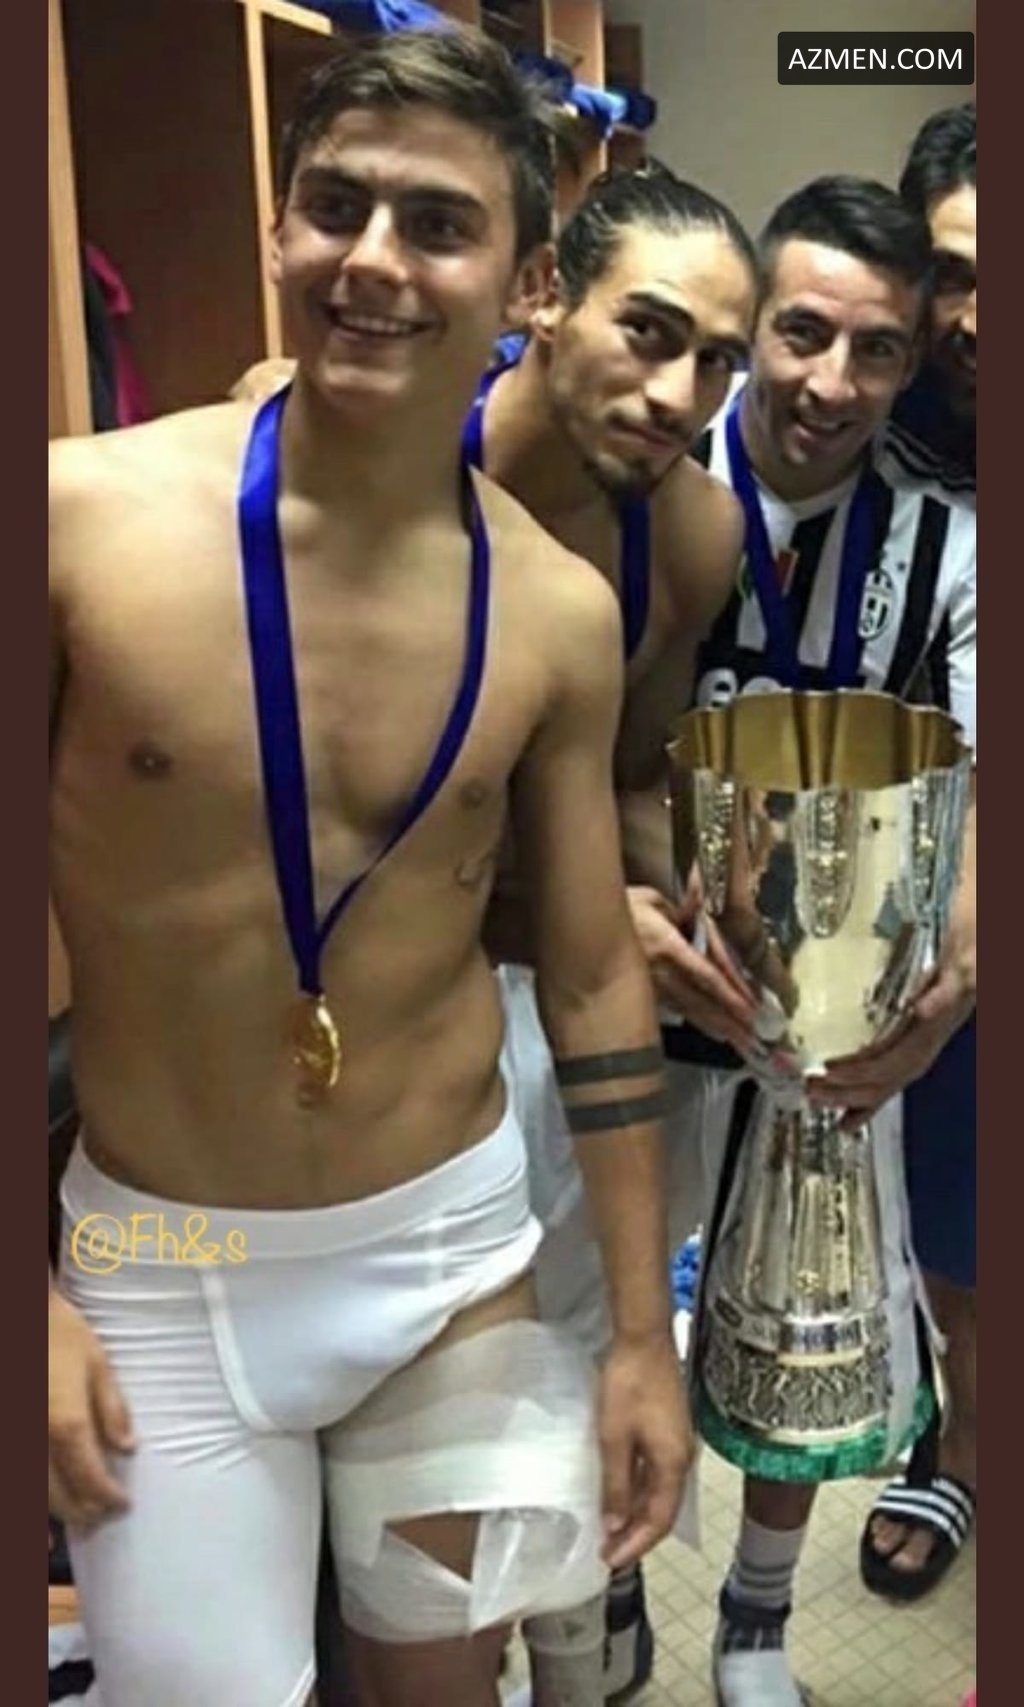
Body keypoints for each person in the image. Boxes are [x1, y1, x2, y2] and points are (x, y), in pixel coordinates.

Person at [48, 29, 692, 1707]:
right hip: (163, 1274)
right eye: (337, 207)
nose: (374, 262)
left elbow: (592, 973)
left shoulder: (557, 612)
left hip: (449, 1259)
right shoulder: (77, 527)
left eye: (439, 224)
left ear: (530, 284)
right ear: (278, 226)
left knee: (442, 1694)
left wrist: (638, 1333)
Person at [606, 173, 975, 1706]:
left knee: (799, 1324)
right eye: (803, 334)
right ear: (750, 327)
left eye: (877, 350)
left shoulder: (947, 546)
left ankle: (755, 1624)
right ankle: (606, 1590)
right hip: (621, 987)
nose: (832, 382)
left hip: (825, 1024)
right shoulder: (633, 485)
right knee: (599, 1317)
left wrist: (958, 977)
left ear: (911, 362)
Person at [462, 162, 760, 1702]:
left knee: (588, 1344)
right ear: (543, 299)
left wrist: (728, 923)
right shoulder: (383, 457)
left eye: (717, 361)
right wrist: (586, 912)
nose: (678, 395)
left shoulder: (690, 530)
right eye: (648, 332)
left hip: (549, 991)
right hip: (364, 1007)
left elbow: (622, 788)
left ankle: (585, 1631)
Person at [859, 101, 977, 1606]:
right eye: (956, 272)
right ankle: (955, 1437)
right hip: (914, 894)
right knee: (952, 1218)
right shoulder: (856, 433)